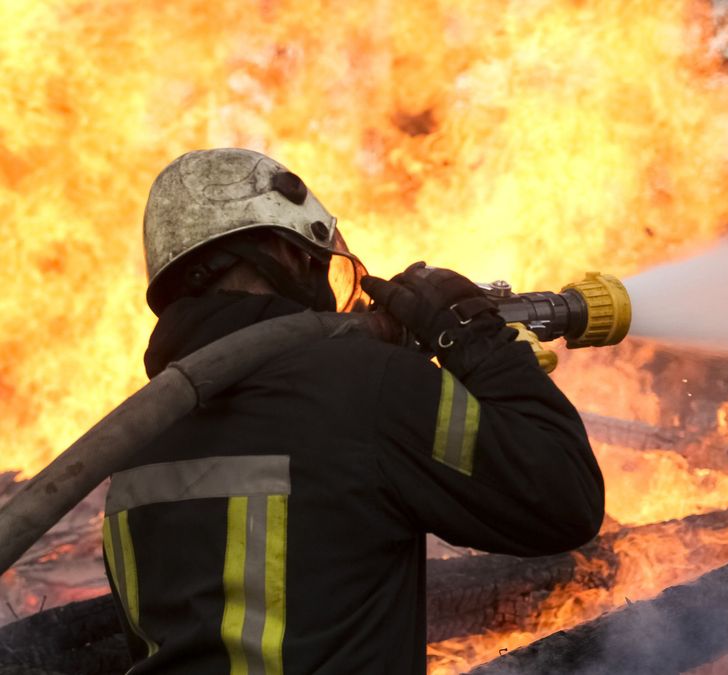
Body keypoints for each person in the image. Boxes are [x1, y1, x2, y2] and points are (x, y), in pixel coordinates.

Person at [102, 148, 605, 673]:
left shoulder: (135, 439)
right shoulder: (370, 385)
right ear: (290, 253)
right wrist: (477, 341)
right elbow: (564, 498)